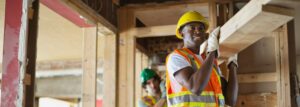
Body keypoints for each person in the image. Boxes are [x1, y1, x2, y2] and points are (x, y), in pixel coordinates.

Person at [165, 11, 238, 107]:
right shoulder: (177, 57)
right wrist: (212, 52)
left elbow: (230, 100)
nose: (198, 31)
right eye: (192, 28)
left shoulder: (209, 61)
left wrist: (233, 65)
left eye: (201, 28)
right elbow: (195, 88)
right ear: (181, 32)